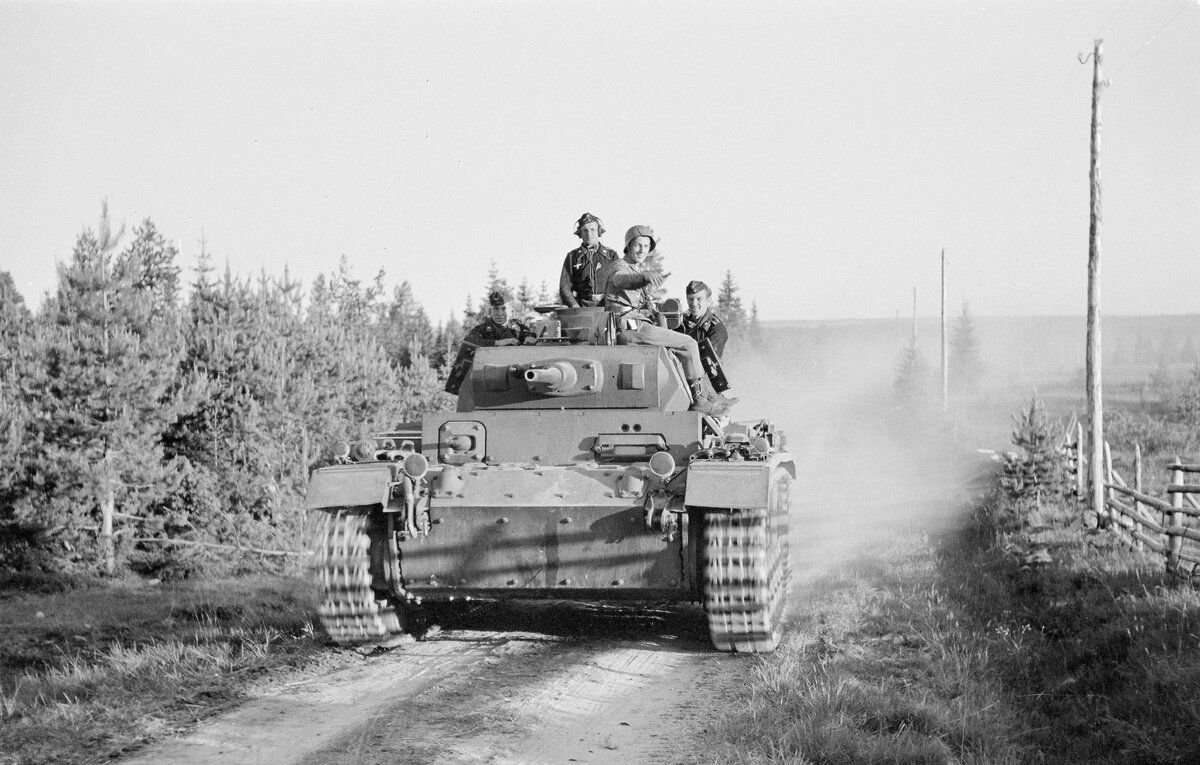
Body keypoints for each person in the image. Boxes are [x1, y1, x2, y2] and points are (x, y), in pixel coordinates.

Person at [602, 225, 735, 416]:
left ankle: (705, 394)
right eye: (638, 245)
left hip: (639, 326)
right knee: (689, 344)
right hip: (631, 329)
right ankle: (699, 400)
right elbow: (621, 280)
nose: (642, 250)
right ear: (628, 246)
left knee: (679, 350)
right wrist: (643, 278)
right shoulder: (620, 266)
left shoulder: (632, 268)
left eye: (646, 247)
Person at [444, 290, 533, 394]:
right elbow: (469, 343)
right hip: (486, 385)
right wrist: (498, 343)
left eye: (503, 309)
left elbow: (531, 336)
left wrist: (530, 339)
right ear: (490, 311)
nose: (500, 313)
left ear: (510, 310)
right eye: (496, 309)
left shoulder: (519, 329)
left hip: (517, 385)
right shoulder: (481, 330)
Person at [675, 280, 731, 393]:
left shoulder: (716, 329)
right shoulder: (680, 323)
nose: (694, 303)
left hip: (704, 386)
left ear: (708, 301)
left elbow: (710, 364)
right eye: (690, 299)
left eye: (699, 299)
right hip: (678, 381)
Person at [559, 212, 619, 308]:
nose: (589, 234)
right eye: (585, 230)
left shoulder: (611, 255)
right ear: (580, 233)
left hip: (607, 308)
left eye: (592, 230)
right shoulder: (572, 257)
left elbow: (619, 284)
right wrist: (574, 306)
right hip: (581, 308)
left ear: (599, 232)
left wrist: (611, 303)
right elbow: (564, 287)